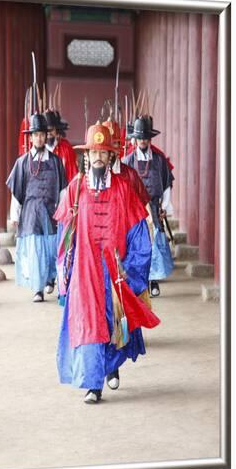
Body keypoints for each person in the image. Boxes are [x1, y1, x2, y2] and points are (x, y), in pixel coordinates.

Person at [54, 124, 159, 404]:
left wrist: (133, 271)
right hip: (85, 273)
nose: (98, 158)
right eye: (94, 152)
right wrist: (64, 274)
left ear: (112, 157)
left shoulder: (124, 189)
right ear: (86, 156)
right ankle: (93, 384)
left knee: (114, 325)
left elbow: (139, 232)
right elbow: (64, 237)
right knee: (89, 325)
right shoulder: (75, 189)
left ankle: (111, 367)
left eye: (104, 153)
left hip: (115, 270)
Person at [6, 113, 68, 302]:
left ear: (46, 135)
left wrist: (64, 212)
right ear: (30, 137)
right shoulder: (22, 162)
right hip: (31, 214)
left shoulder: (56, 162)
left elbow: (63, 190)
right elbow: (16, 193)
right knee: (34, 251)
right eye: (36, 135)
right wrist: (14, 216)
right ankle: (38, 288)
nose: (40, 138)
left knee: (50, 250)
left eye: (42, 134)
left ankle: (50, 279)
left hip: (51, 213)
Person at [123, 116, 174, 297]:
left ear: (150, 139)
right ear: (135, 139)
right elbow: (122, 187)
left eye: (146, 137)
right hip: (135, 210)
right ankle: (141, 281)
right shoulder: (127, 161)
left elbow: (167, 184)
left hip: (153, 206)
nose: (143, 140)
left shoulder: (160, 160)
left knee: (154, 246)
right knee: (138, 246)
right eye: (140, 137)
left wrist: (164, 207)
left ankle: (153, 281)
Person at [102, 118, 150, 206]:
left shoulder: (131, 174)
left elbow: (143, 206)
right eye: (107, 144)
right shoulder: (87, 179)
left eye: (114, 143)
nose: (111, 148)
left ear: (120, 145)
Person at [43, 109, 78, 183]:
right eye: (46, 131)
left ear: (56, 130)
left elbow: (73, 176)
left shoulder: (66, 148)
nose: (48, 133)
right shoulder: (38, 149)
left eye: (51, 130)